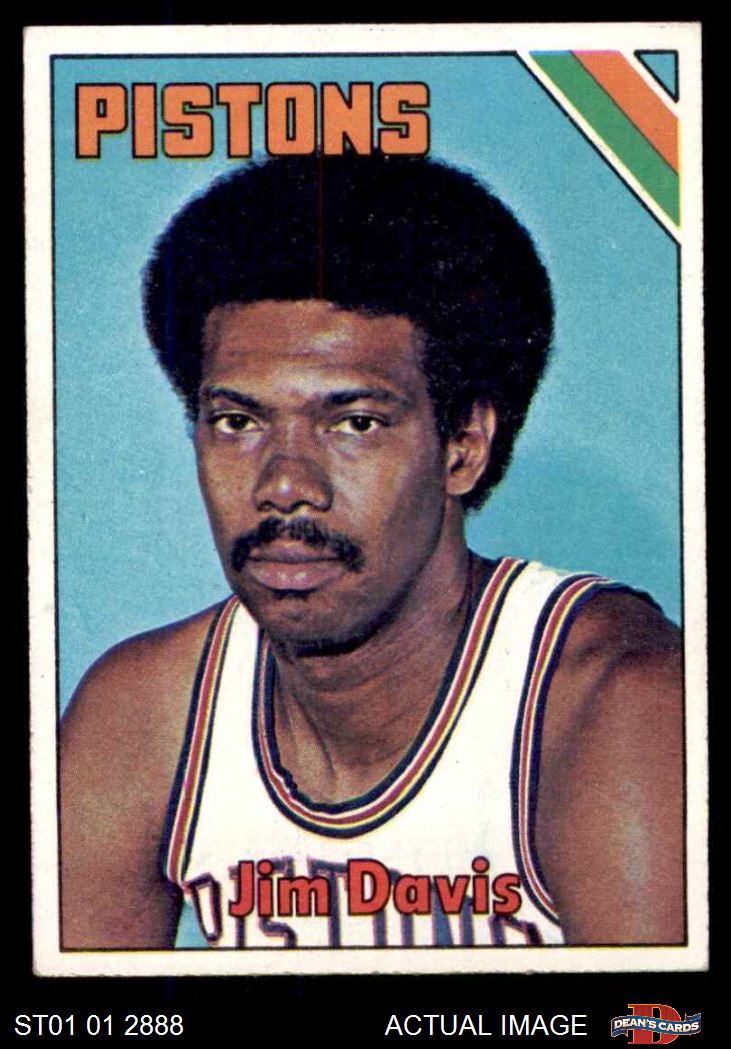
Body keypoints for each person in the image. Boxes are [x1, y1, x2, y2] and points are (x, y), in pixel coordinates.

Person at [60, 152, 683, 951]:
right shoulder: (144, 711)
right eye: (238, 422)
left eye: (353, 423)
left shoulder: (616, 703)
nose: (285, 485)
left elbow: (658, 1018)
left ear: (463, 447)